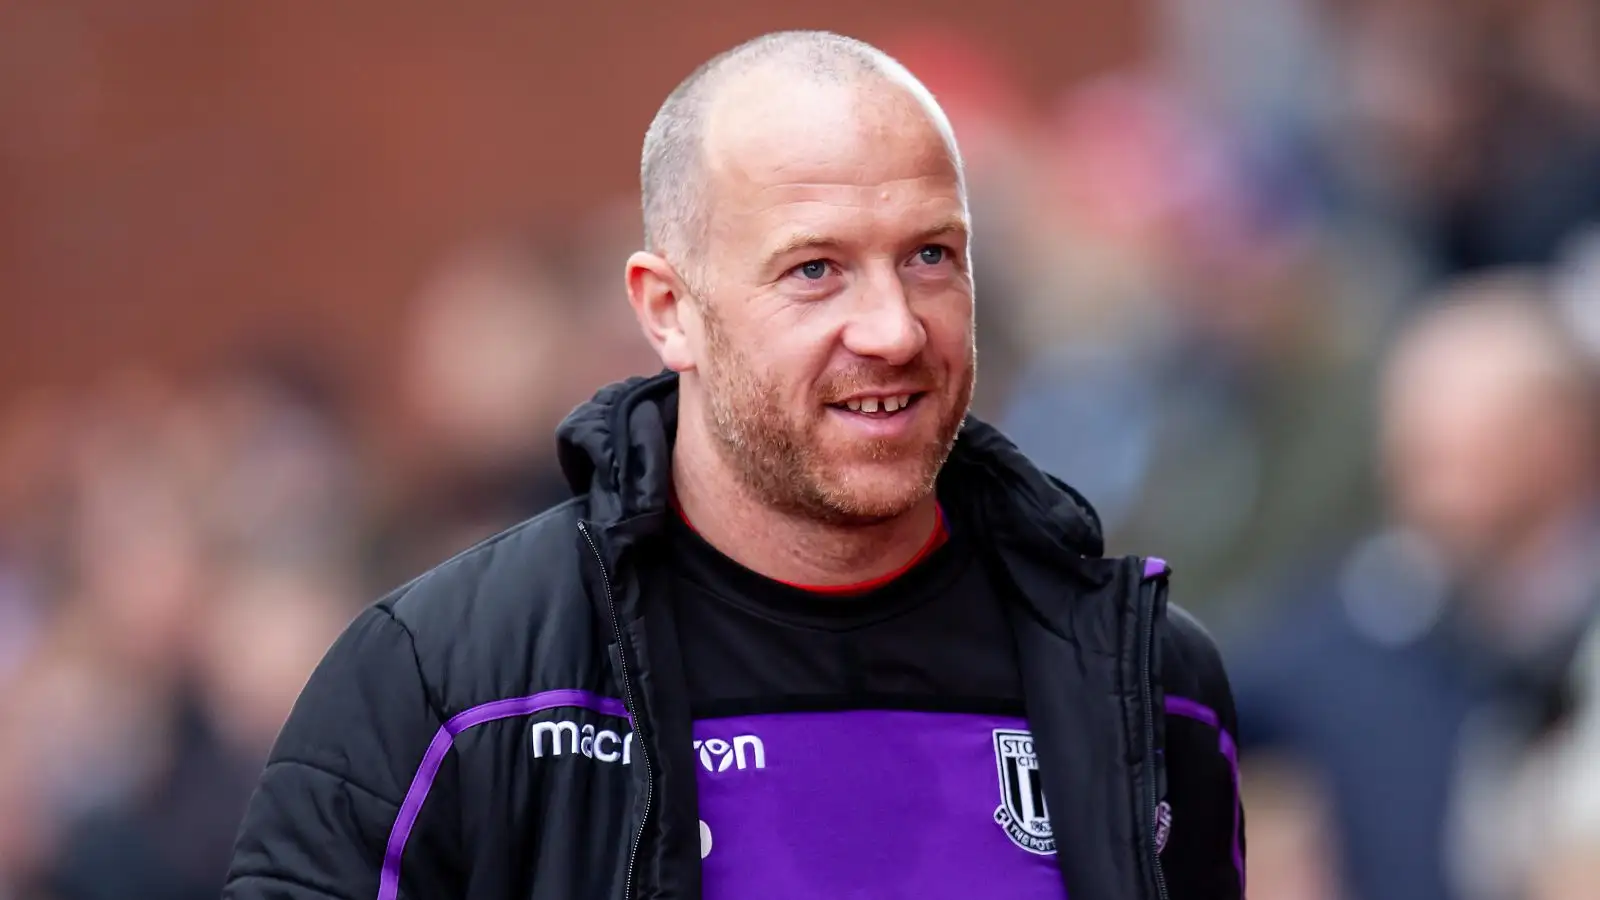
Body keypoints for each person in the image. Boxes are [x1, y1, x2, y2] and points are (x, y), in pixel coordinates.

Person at [223, 30, 1244, 900]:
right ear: (669, 310)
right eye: (815, 270)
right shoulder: (452, 683)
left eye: (930, 256)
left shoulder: (1147, 683)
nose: (891, 328)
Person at [1231, 271, 1600, 900]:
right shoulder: (1364, 621)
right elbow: (1208, 704)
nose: (1416, 465)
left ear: (1561, 436)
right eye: (1412, 436)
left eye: (1459, 441)